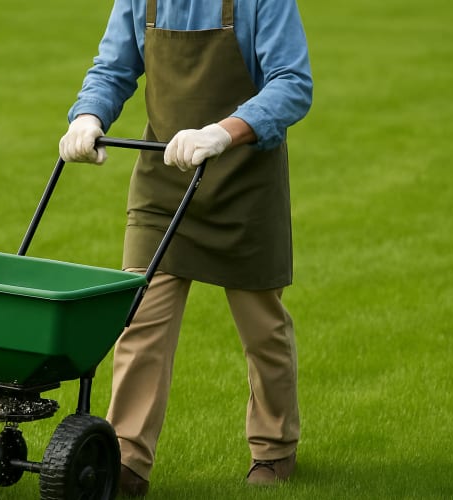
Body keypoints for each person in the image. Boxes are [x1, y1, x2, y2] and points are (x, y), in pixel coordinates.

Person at [59, 0, 312, 496]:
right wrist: (87, 116)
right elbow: (113, 68)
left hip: (244, 184)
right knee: (140, 319)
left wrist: (223, 132)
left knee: (263, 329)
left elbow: (292, 82)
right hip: (164, 182)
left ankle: (274, 446)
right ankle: (126, 457)